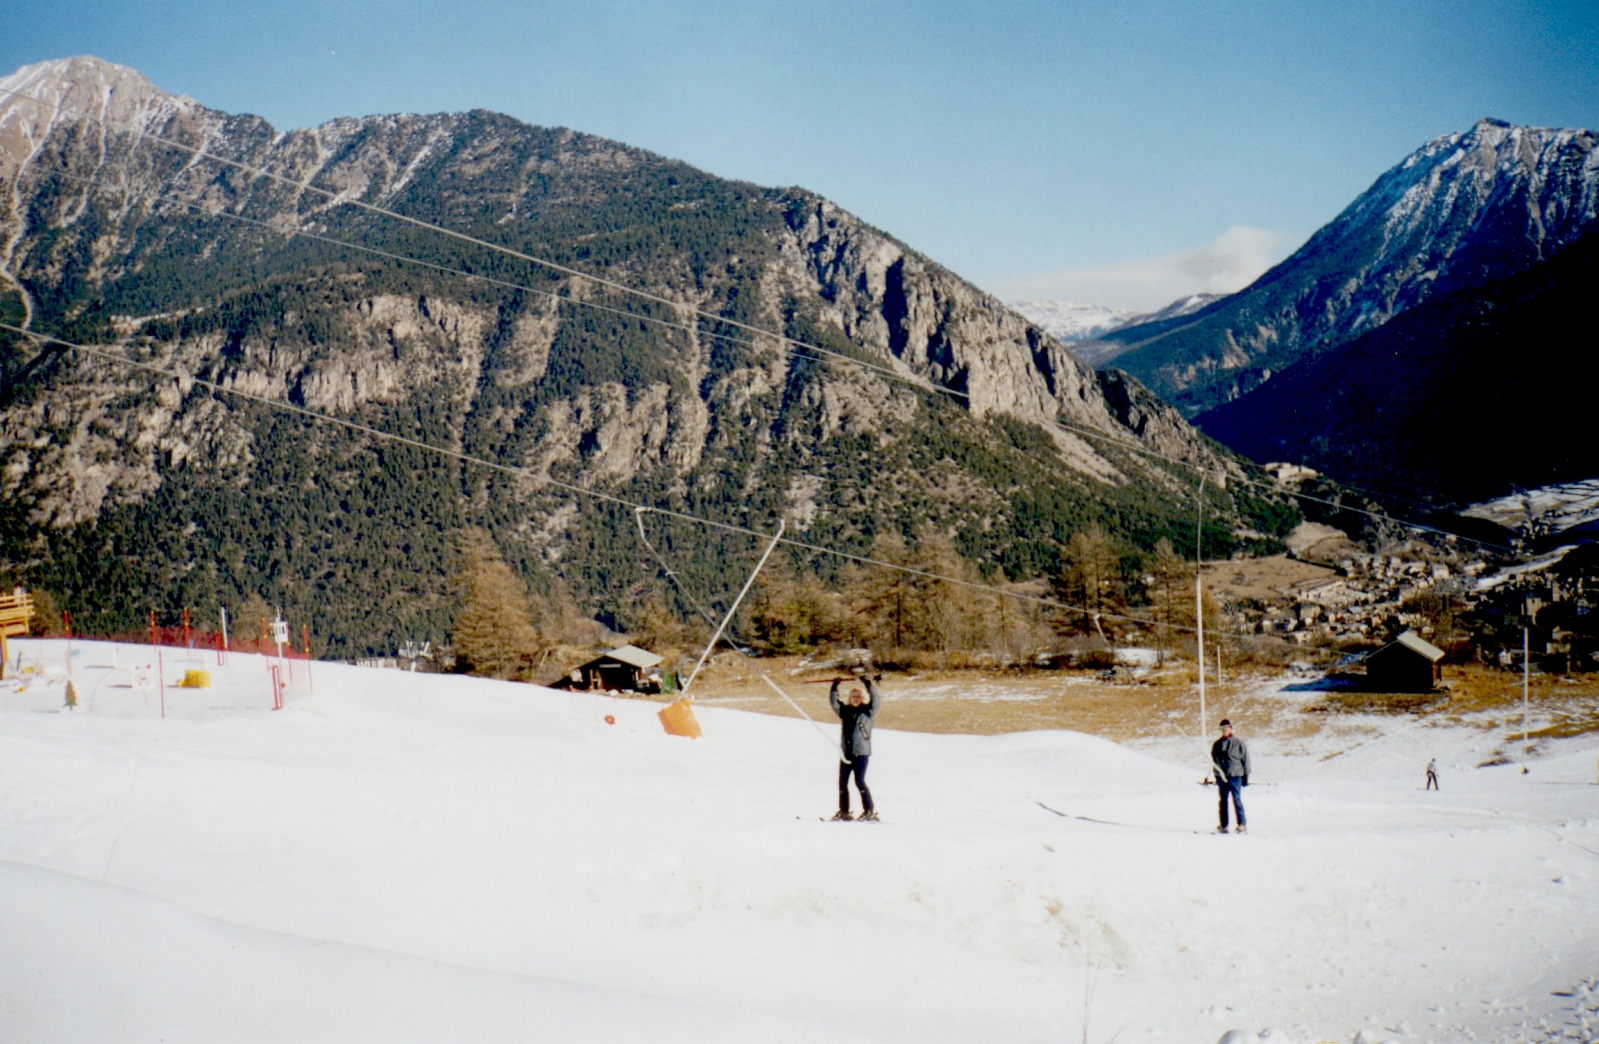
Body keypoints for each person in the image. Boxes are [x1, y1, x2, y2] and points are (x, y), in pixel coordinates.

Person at [829, 672, 882, 821]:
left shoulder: (868, 712)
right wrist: (834, 687)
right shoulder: (845, 711)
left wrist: (868, 685)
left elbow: (877, 701)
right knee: (842, 782)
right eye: (853, 696)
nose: (856, 699)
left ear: (863, 698)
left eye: (858, 697)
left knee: (859, 781)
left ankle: (869, 811)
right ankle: (844, 811)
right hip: (846, 753)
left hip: (861, 753)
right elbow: (834, 703)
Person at [1211, 718, 1250, 834]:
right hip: (1222, 776)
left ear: (1230, 728)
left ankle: (1242, 824)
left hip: (1235, 775)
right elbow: (1214, 761)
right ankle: (1224, 825)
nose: (1224, 730)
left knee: (1236, 799)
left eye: (1226, 728)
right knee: (1223, 800)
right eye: (1222, 729)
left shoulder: (1239, 743)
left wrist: (1246, 775)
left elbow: (1245, 759)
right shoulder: (1217, 745)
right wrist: (1217, 775)